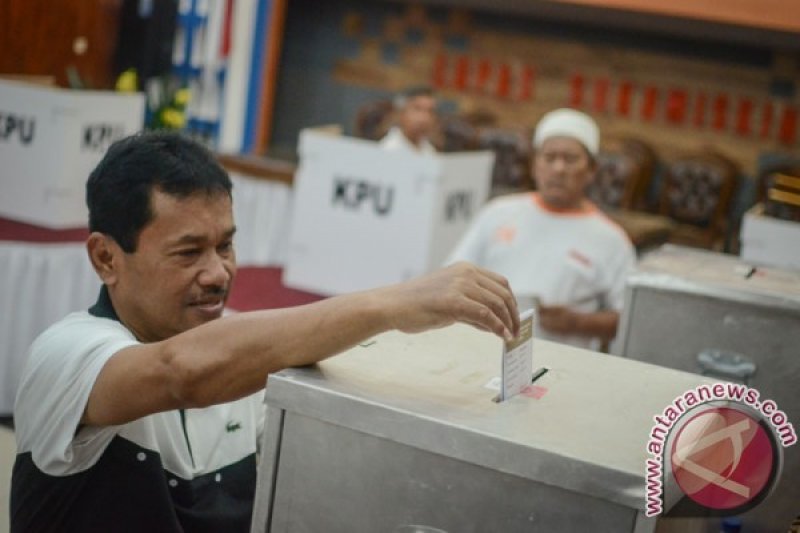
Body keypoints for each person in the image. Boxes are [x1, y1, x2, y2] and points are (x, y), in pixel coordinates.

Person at [10, 131, 519, 532]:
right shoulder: (66, 354)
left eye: (226, 246)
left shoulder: (243, 356)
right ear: (105, 257)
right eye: (188, 253)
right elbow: (180, 372)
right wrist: (388, 303)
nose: (218, 273)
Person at [446, 108, 636, 351]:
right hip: (478, 350)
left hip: (561, 366)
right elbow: (454, 275)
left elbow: (628, 319)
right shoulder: (497, 213)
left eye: (570, 159)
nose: (558, 168)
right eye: (549, 157)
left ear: (591, 171)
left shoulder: (611, 239)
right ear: (535, 165)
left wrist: (578, 322)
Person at [379, 85, 438, 154]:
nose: (424, 118)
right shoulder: (387, 149)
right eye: (417, 109)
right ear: (400, 113)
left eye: (430, 111)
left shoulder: (429, 151)